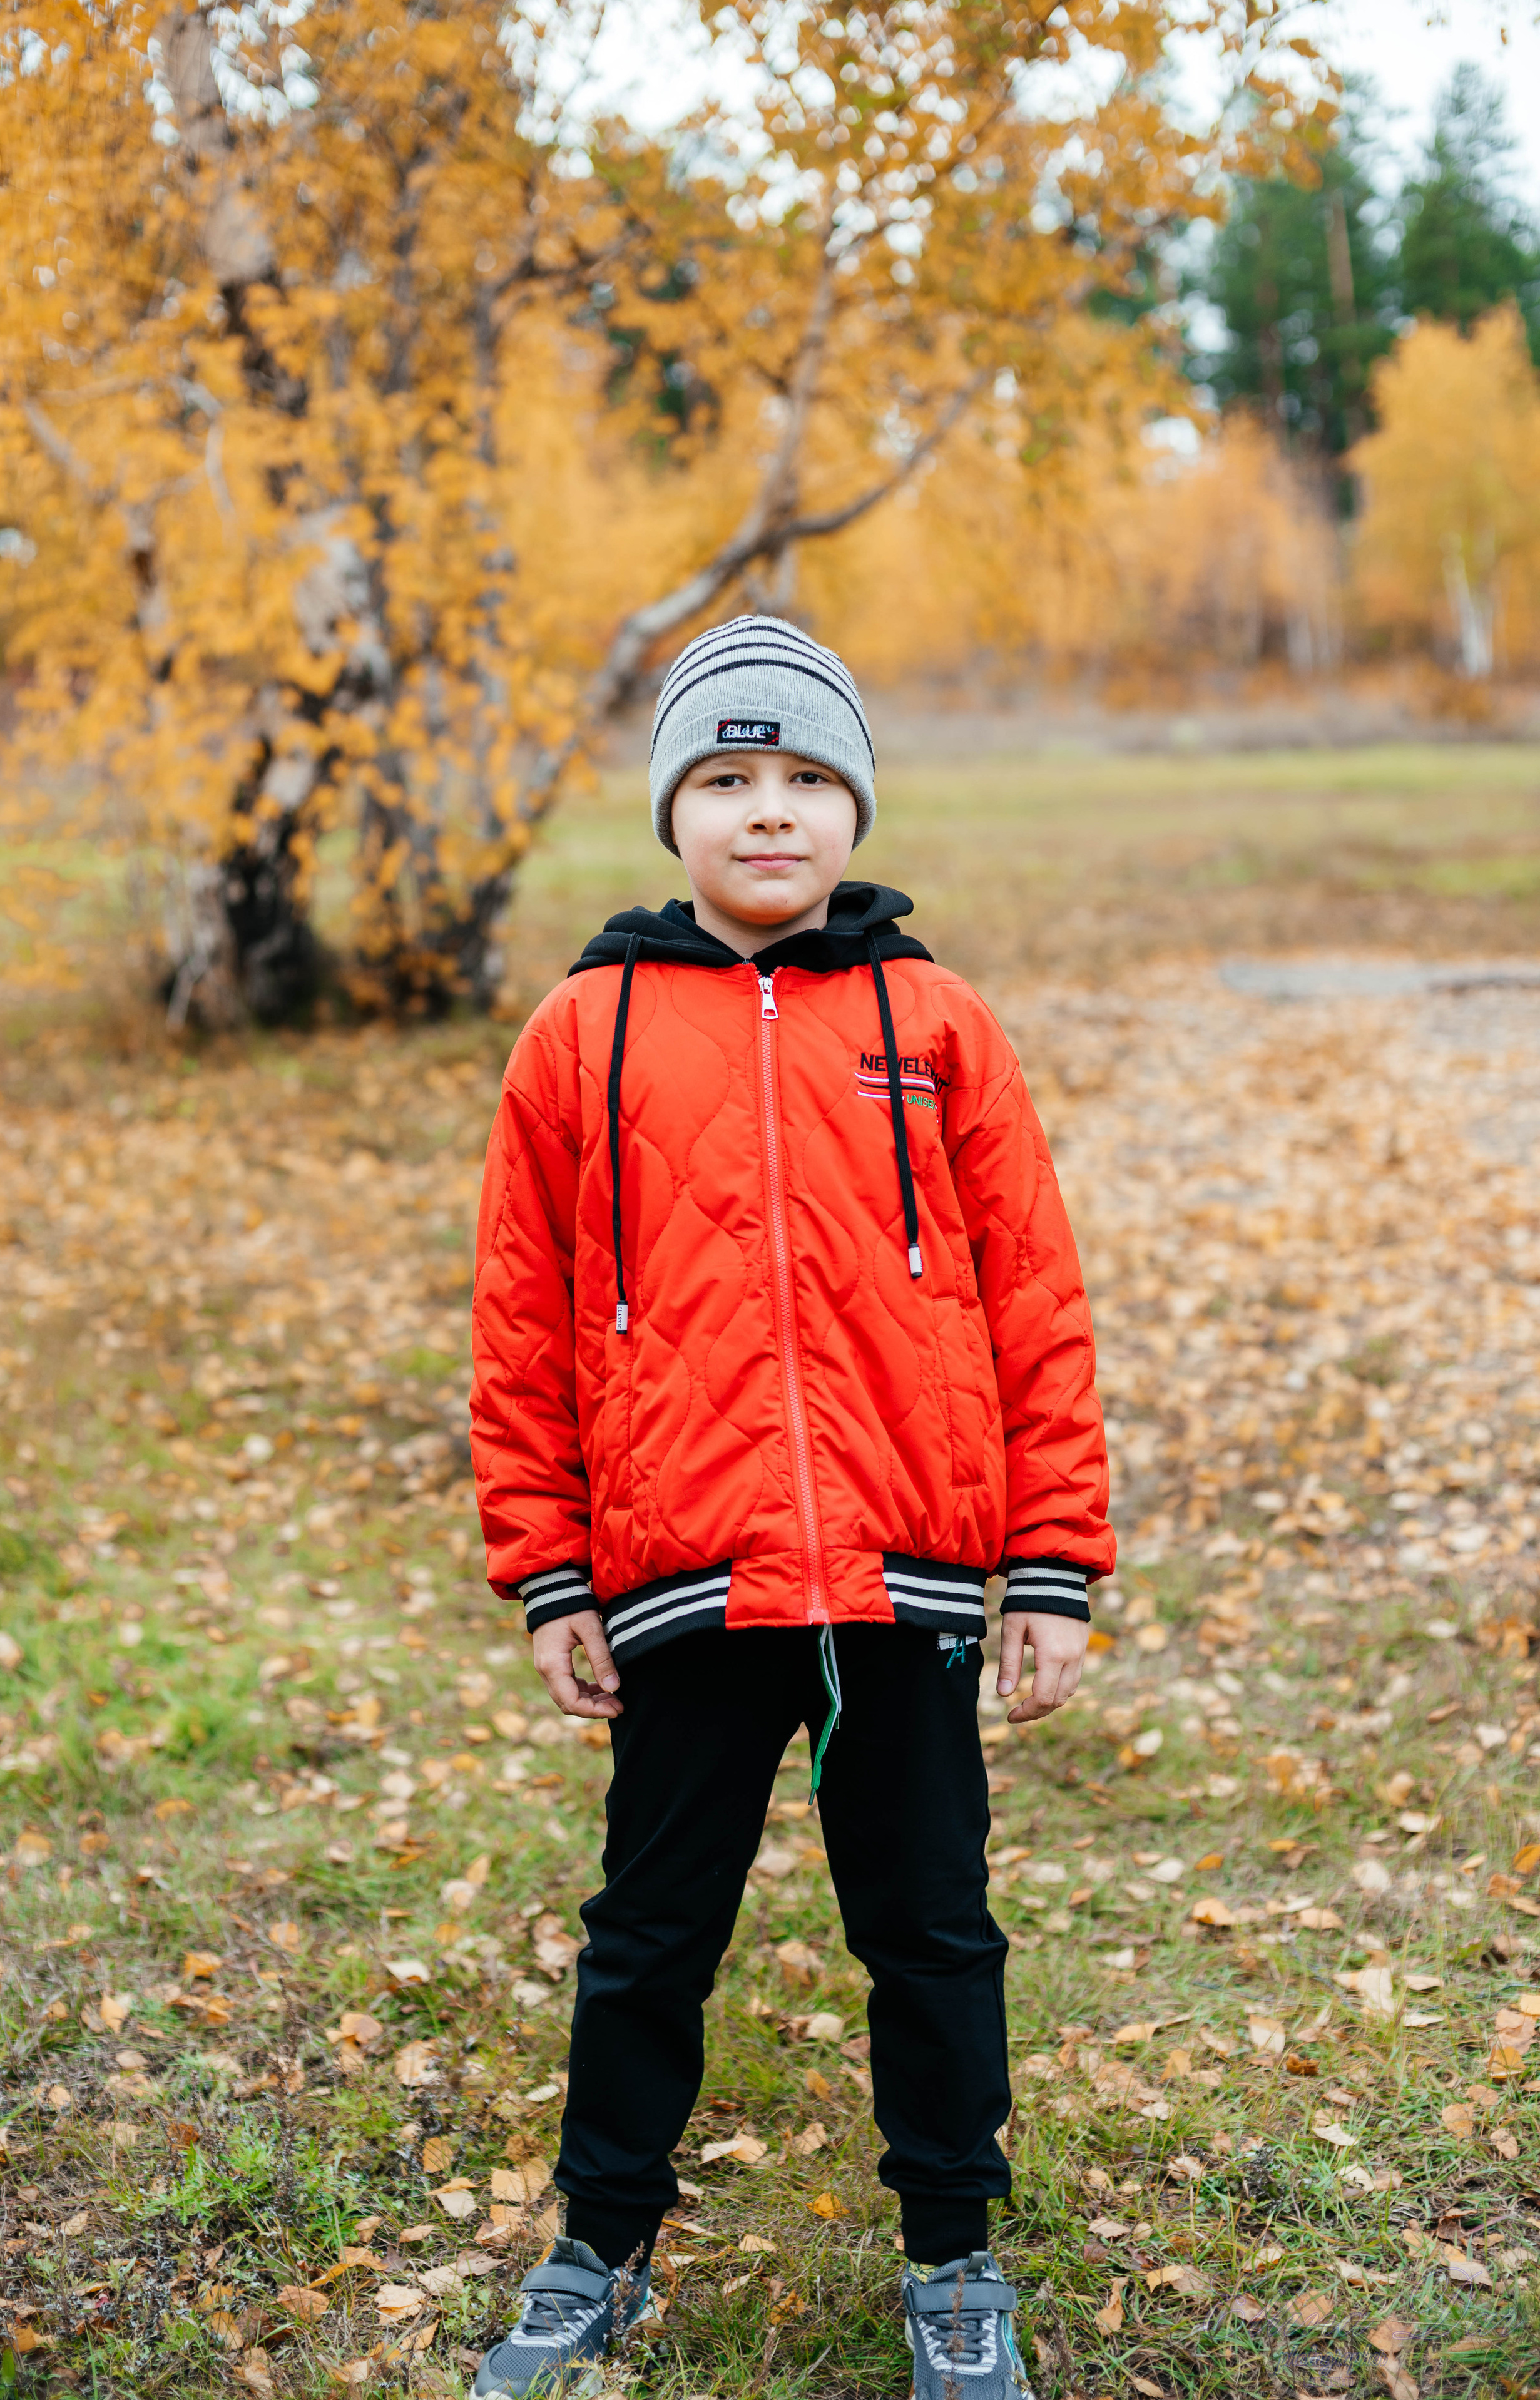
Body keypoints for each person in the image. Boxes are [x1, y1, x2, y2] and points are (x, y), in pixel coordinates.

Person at [469, 615, 1113, 2399]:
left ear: (855, 806)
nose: (771, 814)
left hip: (908, 1575)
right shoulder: (579, 1034)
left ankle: (953, 2257)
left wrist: (1049, 1564)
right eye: (731, 780)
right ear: (675, 810)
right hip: (685, 1574)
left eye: (807, 779)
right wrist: (548, 1572)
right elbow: (521, 1322)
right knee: (652, 1929)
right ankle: (599, 2248)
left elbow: (1036, 1301)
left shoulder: (939, 1023)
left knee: (929, 1921)